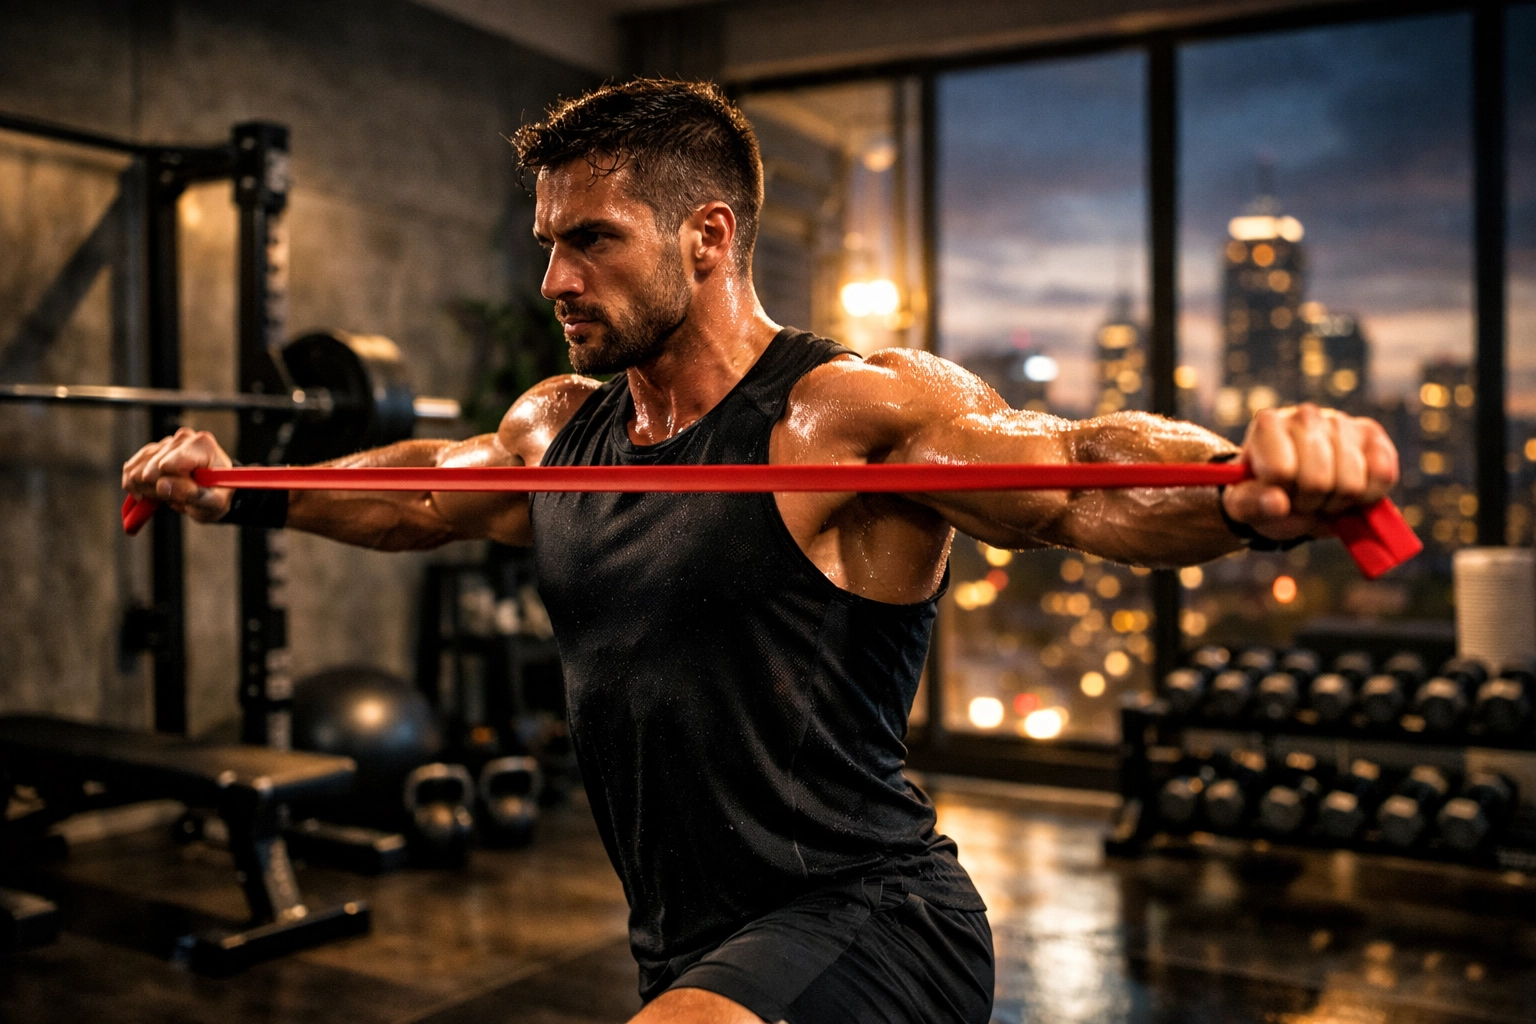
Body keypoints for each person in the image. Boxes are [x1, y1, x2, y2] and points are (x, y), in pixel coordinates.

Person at [122, 79, 1399, 1024]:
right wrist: (239, 490)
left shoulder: (845, 412)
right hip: (681, 940)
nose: (557, 278)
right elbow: (419, 493)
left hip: (871, 915)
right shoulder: (562, 426)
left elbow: (1070, 479)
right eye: (549, 245)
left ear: (711, 237)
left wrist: (1245, 488)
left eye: (593, 240)